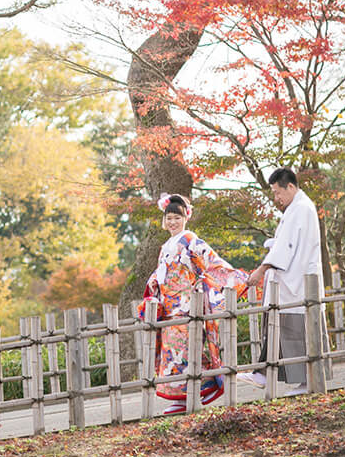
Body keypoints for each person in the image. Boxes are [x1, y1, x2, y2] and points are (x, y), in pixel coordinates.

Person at [137, 193, 250, 415]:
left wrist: (237, 278)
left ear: (186, 218)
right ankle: (182, 396)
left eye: (177, 218)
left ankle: (192, 393)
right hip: (169, 307)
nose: (172, 222)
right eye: (169, 218)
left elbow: (211, 263)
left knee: (186, 351)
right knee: (174, 352)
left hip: (187, 303)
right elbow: (160, 275)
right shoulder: (166, 246)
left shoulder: (190, 240)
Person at [240, 167, 325, 396]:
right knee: (277, 326)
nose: (276, 199)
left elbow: (285, 247)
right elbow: (284, 244)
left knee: (291, 329)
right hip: (292, 278)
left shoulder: (300, 208)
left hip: (296, 281)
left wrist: (261, 270)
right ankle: (263, 374)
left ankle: (303, 381)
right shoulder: (297, 207)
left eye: (278, 193)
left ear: (290, 186)